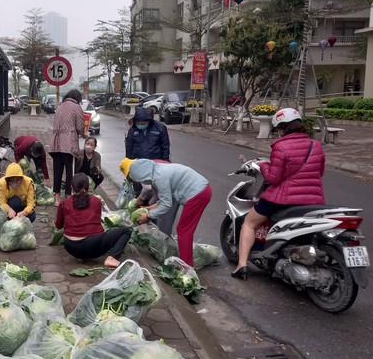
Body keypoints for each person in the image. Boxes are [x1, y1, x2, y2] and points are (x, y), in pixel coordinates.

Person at [232, 108, 326, 280]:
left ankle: (242, 264)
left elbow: (273, 178)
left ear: (282, 128)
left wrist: (263, 165)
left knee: (249, 223)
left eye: (277, 130)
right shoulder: (316, 145)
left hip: (283, 199)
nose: (277, 133)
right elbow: (319, 172)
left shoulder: (281, 147)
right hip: (314, 200)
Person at [124, 157, 212, 267]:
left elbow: (167, 205)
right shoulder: (156, 171)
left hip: (198, 193)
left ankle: (186, 267)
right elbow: (164, 200)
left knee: (184, 231)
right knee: (184, 230)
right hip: (201, 190)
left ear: (139, 174)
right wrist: (148, 209)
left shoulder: (159, 177)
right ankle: (186, 262)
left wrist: (148, 216)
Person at [56, 173, 132, 269]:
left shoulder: (64, 203)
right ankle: (112, 258)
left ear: (71, 187)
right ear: (88, 187)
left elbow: (58, 226)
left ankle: (82, 256)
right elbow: (97, 223)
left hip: (70, 247)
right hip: (93, 246)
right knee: (126, 231)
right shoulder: (96, 201)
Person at [49, 89, 86, 206]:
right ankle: (69, 197)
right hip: (69, 145)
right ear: (78, 98)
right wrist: (85, 134)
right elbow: (80, 127)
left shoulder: (59, 107)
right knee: (71, 172)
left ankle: (57, 199)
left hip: (56, 143)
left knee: (57, 171)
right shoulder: (76, 107)